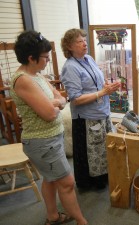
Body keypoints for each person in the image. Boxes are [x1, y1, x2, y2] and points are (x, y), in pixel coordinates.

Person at [10, 30, 88, 225]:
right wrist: (54, 104)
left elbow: (61, 97)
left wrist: (54, 102)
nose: (47, 61)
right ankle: (81, 221)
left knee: (51, 179)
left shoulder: (37, 75)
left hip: (52, 137)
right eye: (45, 58)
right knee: (67, 183)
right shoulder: (23, 80)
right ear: (31, 58)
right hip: (42, 142)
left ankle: (52, 217)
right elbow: (50, 113)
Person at [60, 28, 120, 190]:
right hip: (86, 117)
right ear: (70, 47)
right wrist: (103, 92)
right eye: (79, 41)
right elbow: (76, 99)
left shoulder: (89, 59)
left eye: (84, 40)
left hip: (102, 111)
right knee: (92, 151)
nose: (85, 44)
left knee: (103, 148)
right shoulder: (70, 67)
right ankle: (91, 184)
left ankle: (104, 177)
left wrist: (107, 86)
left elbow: (98, 82)